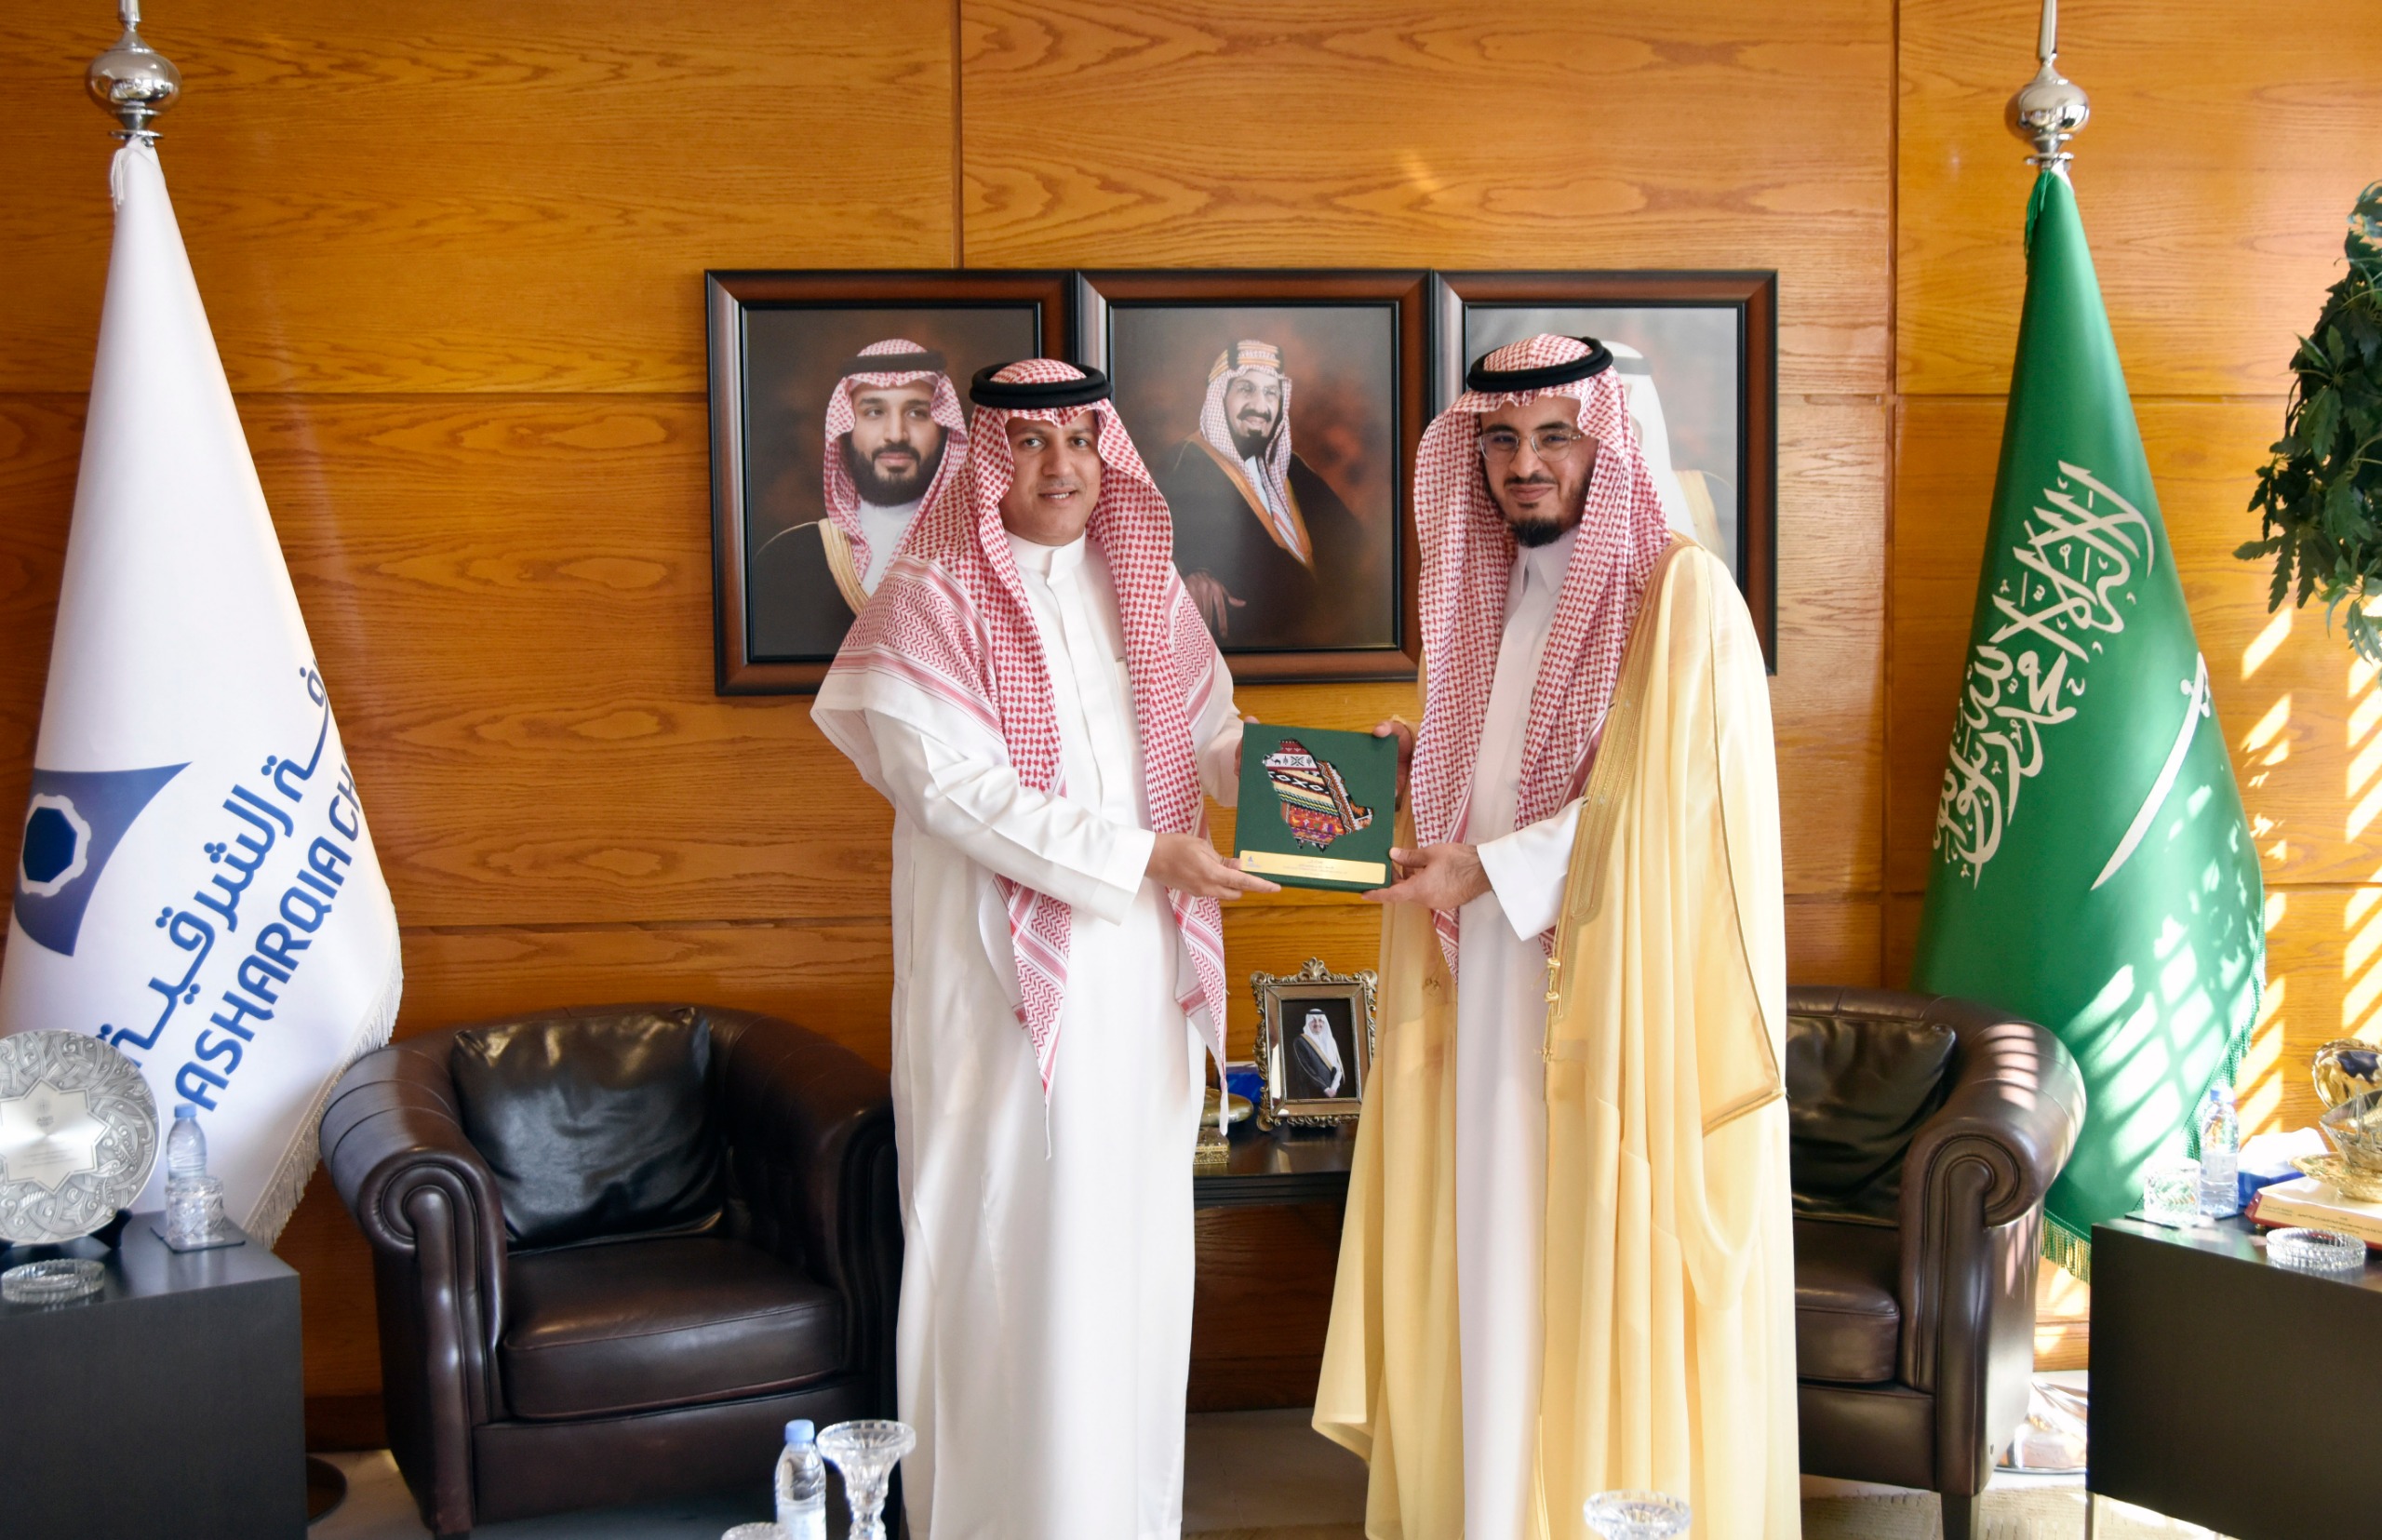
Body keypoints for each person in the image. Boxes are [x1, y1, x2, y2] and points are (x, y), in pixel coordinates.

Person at [1313, 334, 1799, 1538]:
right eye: (1499, 439)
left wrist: (1492, 865)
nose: (1523, 464)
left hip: (1614, 1014)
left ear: (1607, 441)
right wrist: (1423, 772)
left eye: (1553, 437)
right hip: (1486, 999)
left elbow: (1670, 805)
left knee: (1588, 1272)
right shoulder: (1492, 594)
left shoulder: (1683, 598)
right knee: (1492, 1269)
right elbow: (1503, 784)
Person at [813, 357, 1278, 1539]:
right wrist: (1146, 856)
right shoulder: (928, 601)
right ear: (989, 457)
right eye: (1030, 443)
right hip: (1002, 998)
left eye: (1080, 439)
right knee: (1017, 1249)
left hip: (1141, 984)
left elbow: (1213, 739)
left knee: (1131, 1257)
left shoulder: (1142, 585)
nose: (1061, 465)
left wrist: (1317, 779)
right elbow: (954, 794)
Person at [748, 339, 967, 657]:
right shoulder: (785, 559)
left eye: (917, 413)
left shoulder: (982, 556)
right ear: (847, 428)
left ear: (946, 430)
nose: (896, 434)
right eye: (874, 412)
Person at [1150, 339, 1373, 649]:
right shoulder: (1185, 462)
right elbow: (1155, 555)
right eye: (1246, 389)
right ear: (1220, 396)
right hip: (1247, 654)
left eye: (1271, 393)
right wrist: (1191, 574)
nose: (1260, 405)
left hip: (1324, 648)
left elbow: (1353, 541)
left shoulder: (1291, 466)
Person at [1288, 1005, 1347, 1098]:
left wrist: (1334, 1088)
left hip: (1333, 1093)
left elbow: (1337, 1067)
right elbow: (1306, 1069)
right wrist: (1325, 1089)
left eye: (1320, 1020)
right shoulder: (1300, 1042)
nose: (1317, 1024)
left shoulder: (1330, 1041)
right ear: (1308, 1022)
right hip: (1312, 1093)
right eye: (1313, 1021)